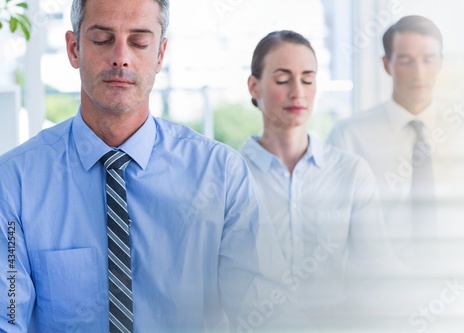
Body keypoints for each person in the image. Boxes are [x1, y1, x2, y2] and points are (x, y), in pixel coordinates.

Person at [0, 0, 300, 331]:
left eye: (140, 42)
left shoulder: (222, 175)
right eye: (102, 39)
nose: (120, 57)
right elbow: (7, 318)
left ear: (159, 55)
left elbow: (268, 319)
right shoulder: (14, 182)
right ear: (74, 49)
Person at [239, 30, 401, 325]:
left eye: (308, 79)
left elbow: (376, 270)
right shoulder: (232, 175)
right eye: (282, 79)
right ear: (254, 87)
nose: (297, 92)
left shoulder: (351, 172)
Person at [325, 15, 448, 266]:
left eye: (428, 60)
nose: (419, 72)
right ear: (386, 64)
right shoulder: (348, 137)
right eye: (405, 61)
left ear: (441, 63)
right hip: (380, 291)